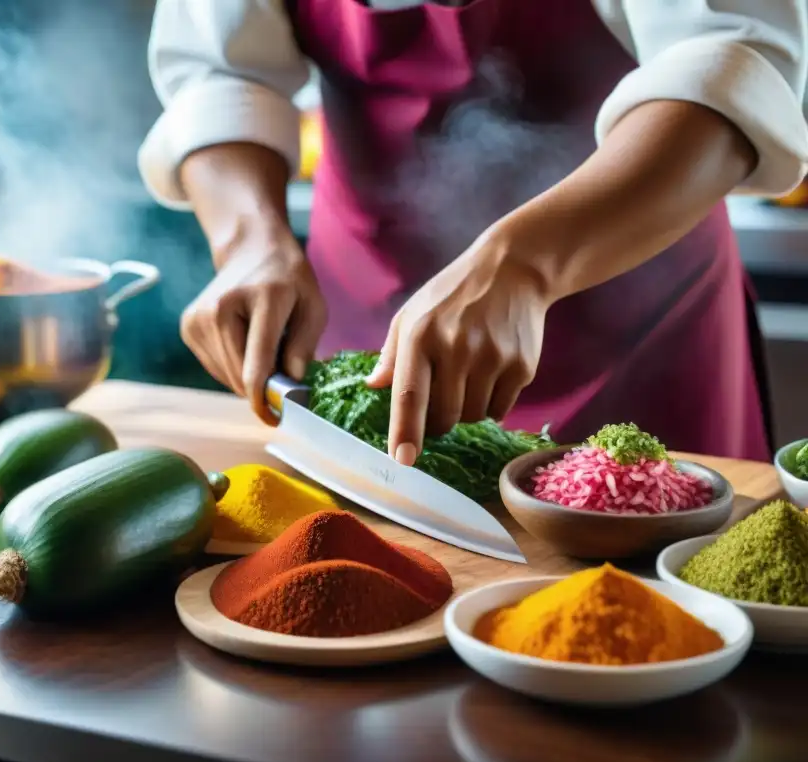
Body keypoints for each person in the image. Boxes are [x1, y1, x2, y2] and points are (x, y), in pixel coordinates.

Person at [139, 0, 808, 465]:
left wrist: (525, 265)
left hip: (638, 335)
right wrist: (250, 242)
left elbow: (734, 60)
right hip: (365, 338)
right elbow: (219, 72)